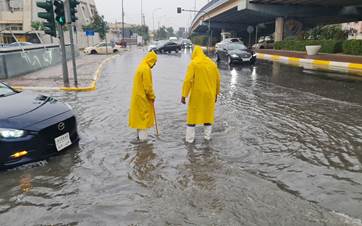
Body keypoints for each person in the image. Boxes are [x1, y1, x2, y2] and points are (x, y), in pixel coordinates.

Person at [181, 46, 221, 143]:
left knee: (192, 118)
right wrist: (216, 94)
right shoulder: (212, 64)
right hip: (210, 95)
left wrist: (184, 95)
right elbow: (218, 80)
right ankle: (207, 138)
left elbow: (187, 81)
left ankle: (189, 140)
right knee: (208, 116)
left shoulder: (194, 63)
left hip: (197, 95)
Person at [129, 51, 158, 141]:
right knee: (143, 122)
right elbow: (148, 87)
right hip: (142, 99)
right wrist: (153, 97)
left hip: (137, 98)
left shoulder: (141, 66)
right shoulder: (146, 69)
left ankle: (139, 142)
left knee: (139, 121)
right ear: (152, 61)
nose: (154, 65)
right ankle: (144, 146)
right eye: (155, 62)